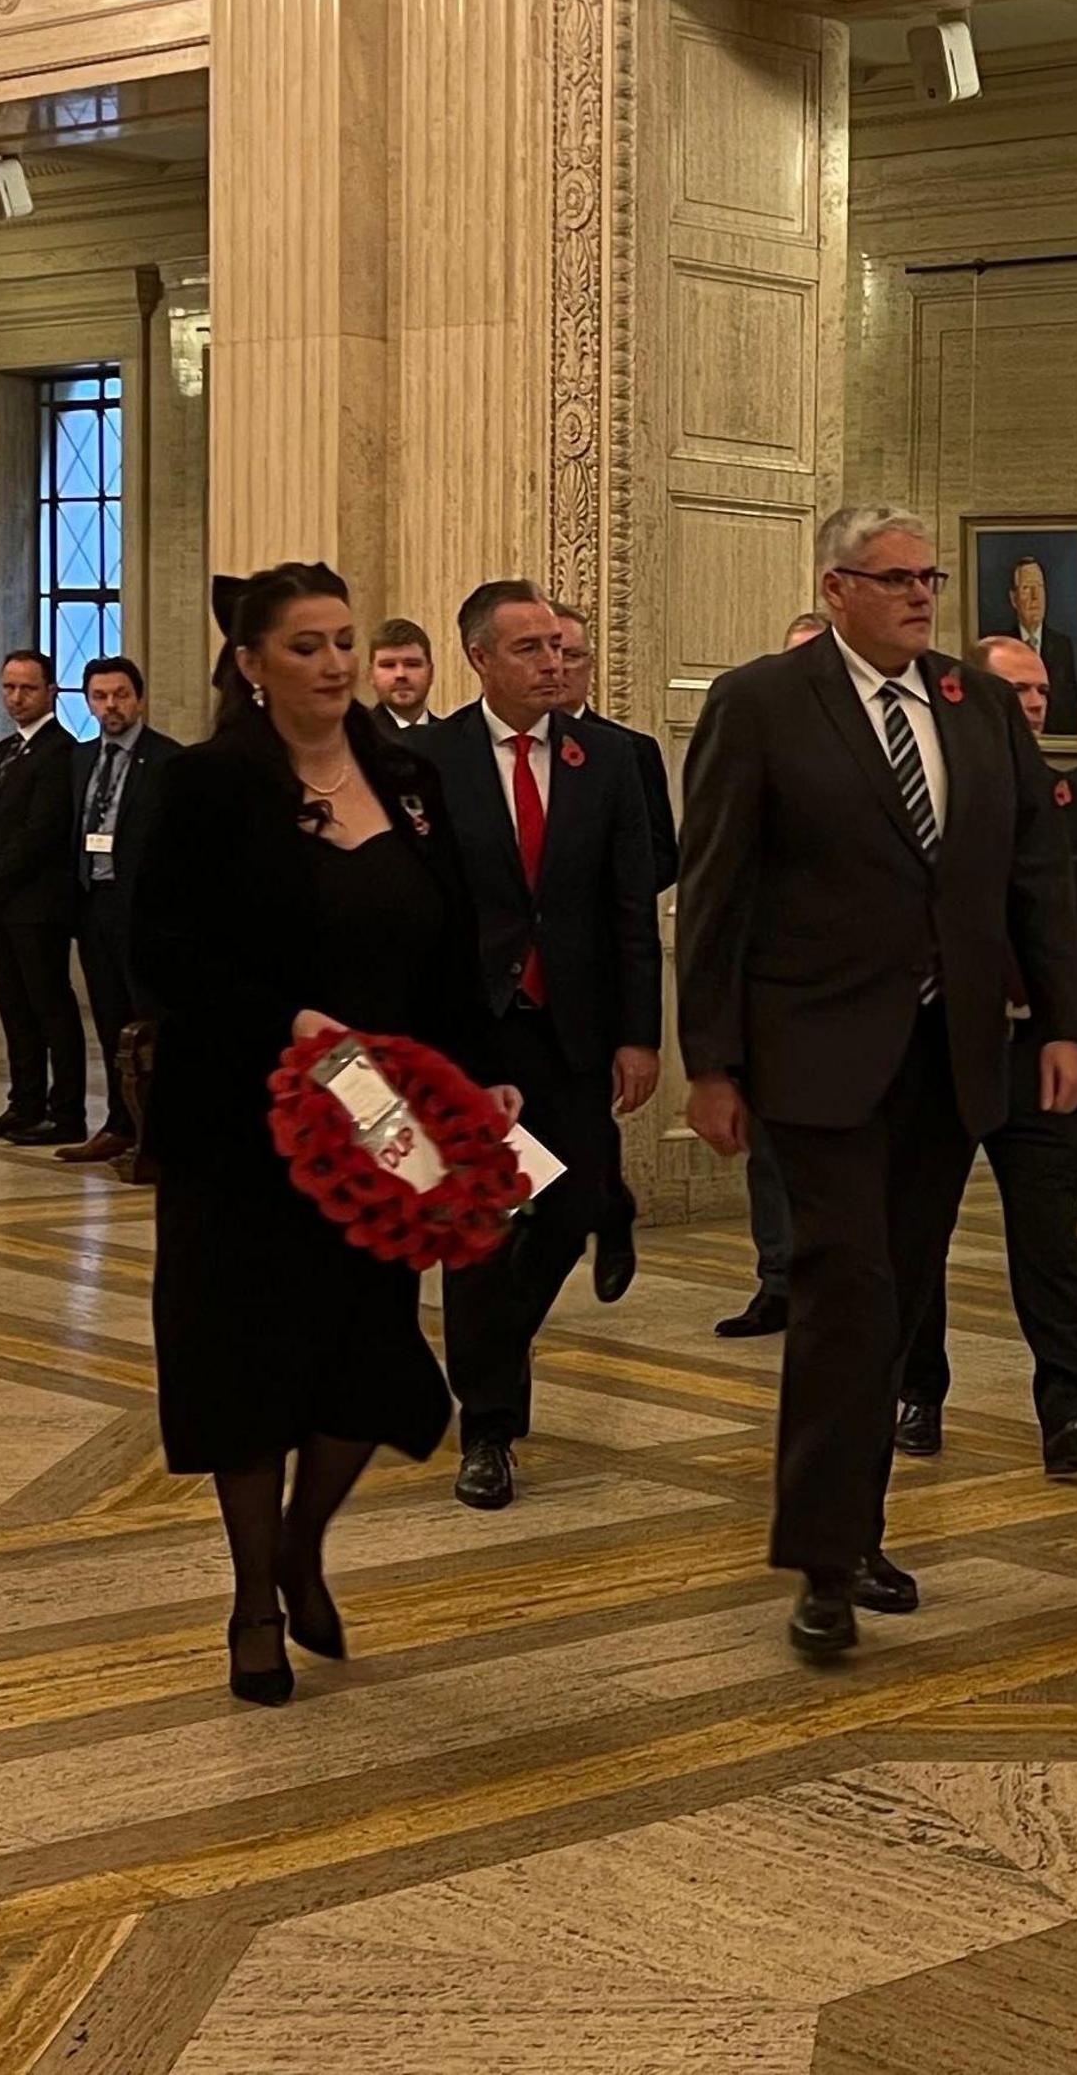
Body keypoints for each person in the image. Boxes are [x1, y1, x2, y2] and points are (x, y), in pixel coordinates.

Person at [678, 505, 1077, 1657]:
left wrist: (1064, 1025)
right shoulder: (762, 702)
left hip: (947, 1057)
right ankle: (819, 1561)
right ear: (839, 585)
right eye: (897, 577)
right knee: (845, 1292)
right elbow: (715, 889)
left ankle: (856, 1527)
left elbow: (1033, 876)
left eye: (931, 576)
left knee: (900, 1298)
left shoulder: (976, 706)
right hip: (815, 1054)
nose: (922, 594)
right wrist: (708, 1060)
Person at [131, 562, 517, 1705]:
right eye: (306, 646)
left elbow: (447, 946)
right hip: (242, 1127)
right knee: (246, 1367)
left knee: (371, 1366)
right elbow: (157, 953)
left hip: (380, 1126)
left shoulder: (406, 778)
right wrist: (282, 1019)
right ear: (251, 666)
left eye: (345, 640)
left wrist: (478, 1076)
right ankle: (255, 1599)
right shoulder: (205, 785)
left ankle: (305, 1541)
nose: (336, 664)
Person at [415, 582, 667, 1511]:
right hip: (471, 1034)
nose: (553, 665)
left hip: (573, 1028)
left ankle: (486, 1353)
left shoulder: (604, 758)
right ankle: (487, 1428)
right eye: (530, 650)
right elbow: (417, 914)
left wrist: (641, 1034)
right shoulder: (426, 759)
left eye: (560, 649)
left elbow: (631, 907)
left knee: (576, 1203)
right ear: (480, 658)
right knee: (480, 1230)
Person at [889, 638, 1077, 1476]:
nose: (1033, 704)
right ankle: (917, 1394)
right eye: (1015, 688)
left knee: (1049, 1237)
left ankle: (1070, 1412)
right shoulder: (925, 783)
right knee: (918, 1235)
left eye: (1041, 691)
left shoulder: (1069, 795)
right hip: (939, 1046)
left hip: (1039, 1048)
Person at [549, 595, 678, 1309]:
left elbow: (661, 852)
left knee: (588, 1114)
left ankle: (606, 1207)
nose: (559, 667)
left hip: (596, 961)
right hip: (518, 970)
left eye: (572, 654)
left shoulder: (627, 751)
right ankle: (598, 1204)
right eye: (548, 651)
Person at [713, 608, 834, 1342]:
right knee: (770, 1152)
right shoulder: (754, 742)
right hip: (773, 988)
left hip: (855, 991)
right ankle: (778, 1278)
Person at [0, 649, 86, 1145]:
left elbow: (40, 834)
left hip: (36, 905)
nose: (16, 697)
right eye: (8, 687)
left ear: (51, 691)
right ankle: (24, 1101)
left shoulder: (60, 753)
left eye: (27, 688)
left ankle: (66, 1110)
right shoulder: (5, 751)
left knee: (49, 1005)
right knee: (13, 1006)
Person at [58, 656, 179, 1167]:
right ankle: (118, 1123)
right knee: (108, 1020)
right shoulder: (82, 759)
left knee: (150, 1024)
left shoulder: (169, 760)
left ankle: (161, 1131)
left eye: (121, 695)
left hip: (144, 913)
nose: (111, 706)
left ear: (140, 698)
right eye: (101, 697)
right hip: (95, 905)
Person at [984, 554, 1077, 737]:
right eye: (1026, 588)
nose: (1034, 597)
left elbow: (1070, 712)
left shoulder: (1062, 646)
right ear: (1014, 599)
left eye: (1039, 588)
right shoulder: (997, 648)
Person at [368, 618, 437, 737]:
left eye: (412, 664)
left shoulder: (455, 739)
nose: (400, 674)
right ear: (371, 675)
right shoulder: (352, 740)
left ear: (431, 673)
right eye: (388, 665)